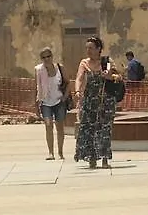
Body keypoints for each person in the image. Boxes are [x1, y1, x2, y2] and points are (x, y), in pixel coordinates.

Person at [74, 36, 121, 170]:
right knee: (89, 130)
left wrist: (110, 76)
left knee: (105, 130)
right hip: (90, 101)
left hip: (106, 101)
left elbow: (119, 77)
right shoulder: (84, 63)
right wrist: (77, 92)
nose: (88, 51)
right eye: (87, 48)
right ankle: (92, 158)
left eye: (91, 48)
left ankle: (105, 158)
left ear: (99, 49)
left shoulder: (107, 61)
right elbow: (79, 78)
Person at [35, 47, 69, 161]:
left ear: (52, 56)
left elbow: (67, 83)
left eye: (48, 56)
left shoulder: (60, 68)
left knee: (59, 127)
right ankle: (51, 153)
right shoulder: (39, 70)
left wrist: (64, 97)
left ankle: (60, 152)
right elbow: (37, 87)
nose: (46, 59)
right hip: (45, 102)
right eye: (43, 57)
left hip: (59, 101)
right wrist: (36, 105)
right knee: (48, 126)